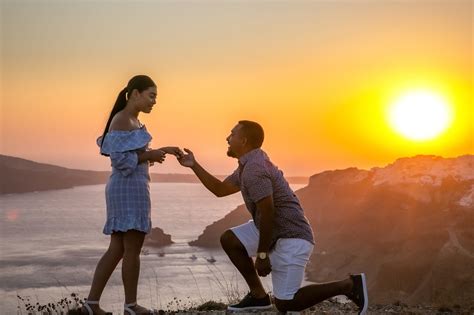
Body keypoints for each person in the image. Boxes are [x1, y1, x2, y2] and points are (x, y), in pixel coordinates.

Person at [177, 120, 368, 313]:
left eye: (232, 134)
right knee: (230, 239)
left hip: (291, 236)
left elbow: (268, 212)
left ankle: (349, 285)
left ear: (243, 141)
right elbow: (220, 190)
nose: (227, 138)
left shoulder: (255, 169)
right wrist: (194, 165)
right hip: (270, 230)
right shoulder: (248, 164)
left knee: (286, 303)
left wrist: (261, 255)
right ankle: (258, 296)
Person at [82, 75, 183, 315]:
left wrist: (162, 151)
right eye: (152, 95)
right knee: (131, 248)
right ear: (135, 93)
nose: (154, 101)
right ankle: (130, 306)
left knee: (117, 248)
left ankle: (91, 305)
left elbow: (135, 154)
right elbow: (119, 160)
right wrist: (149, 155)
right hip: (127, 188)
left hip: (132, 187)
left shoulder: (133, 121)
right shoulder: (122, 119)